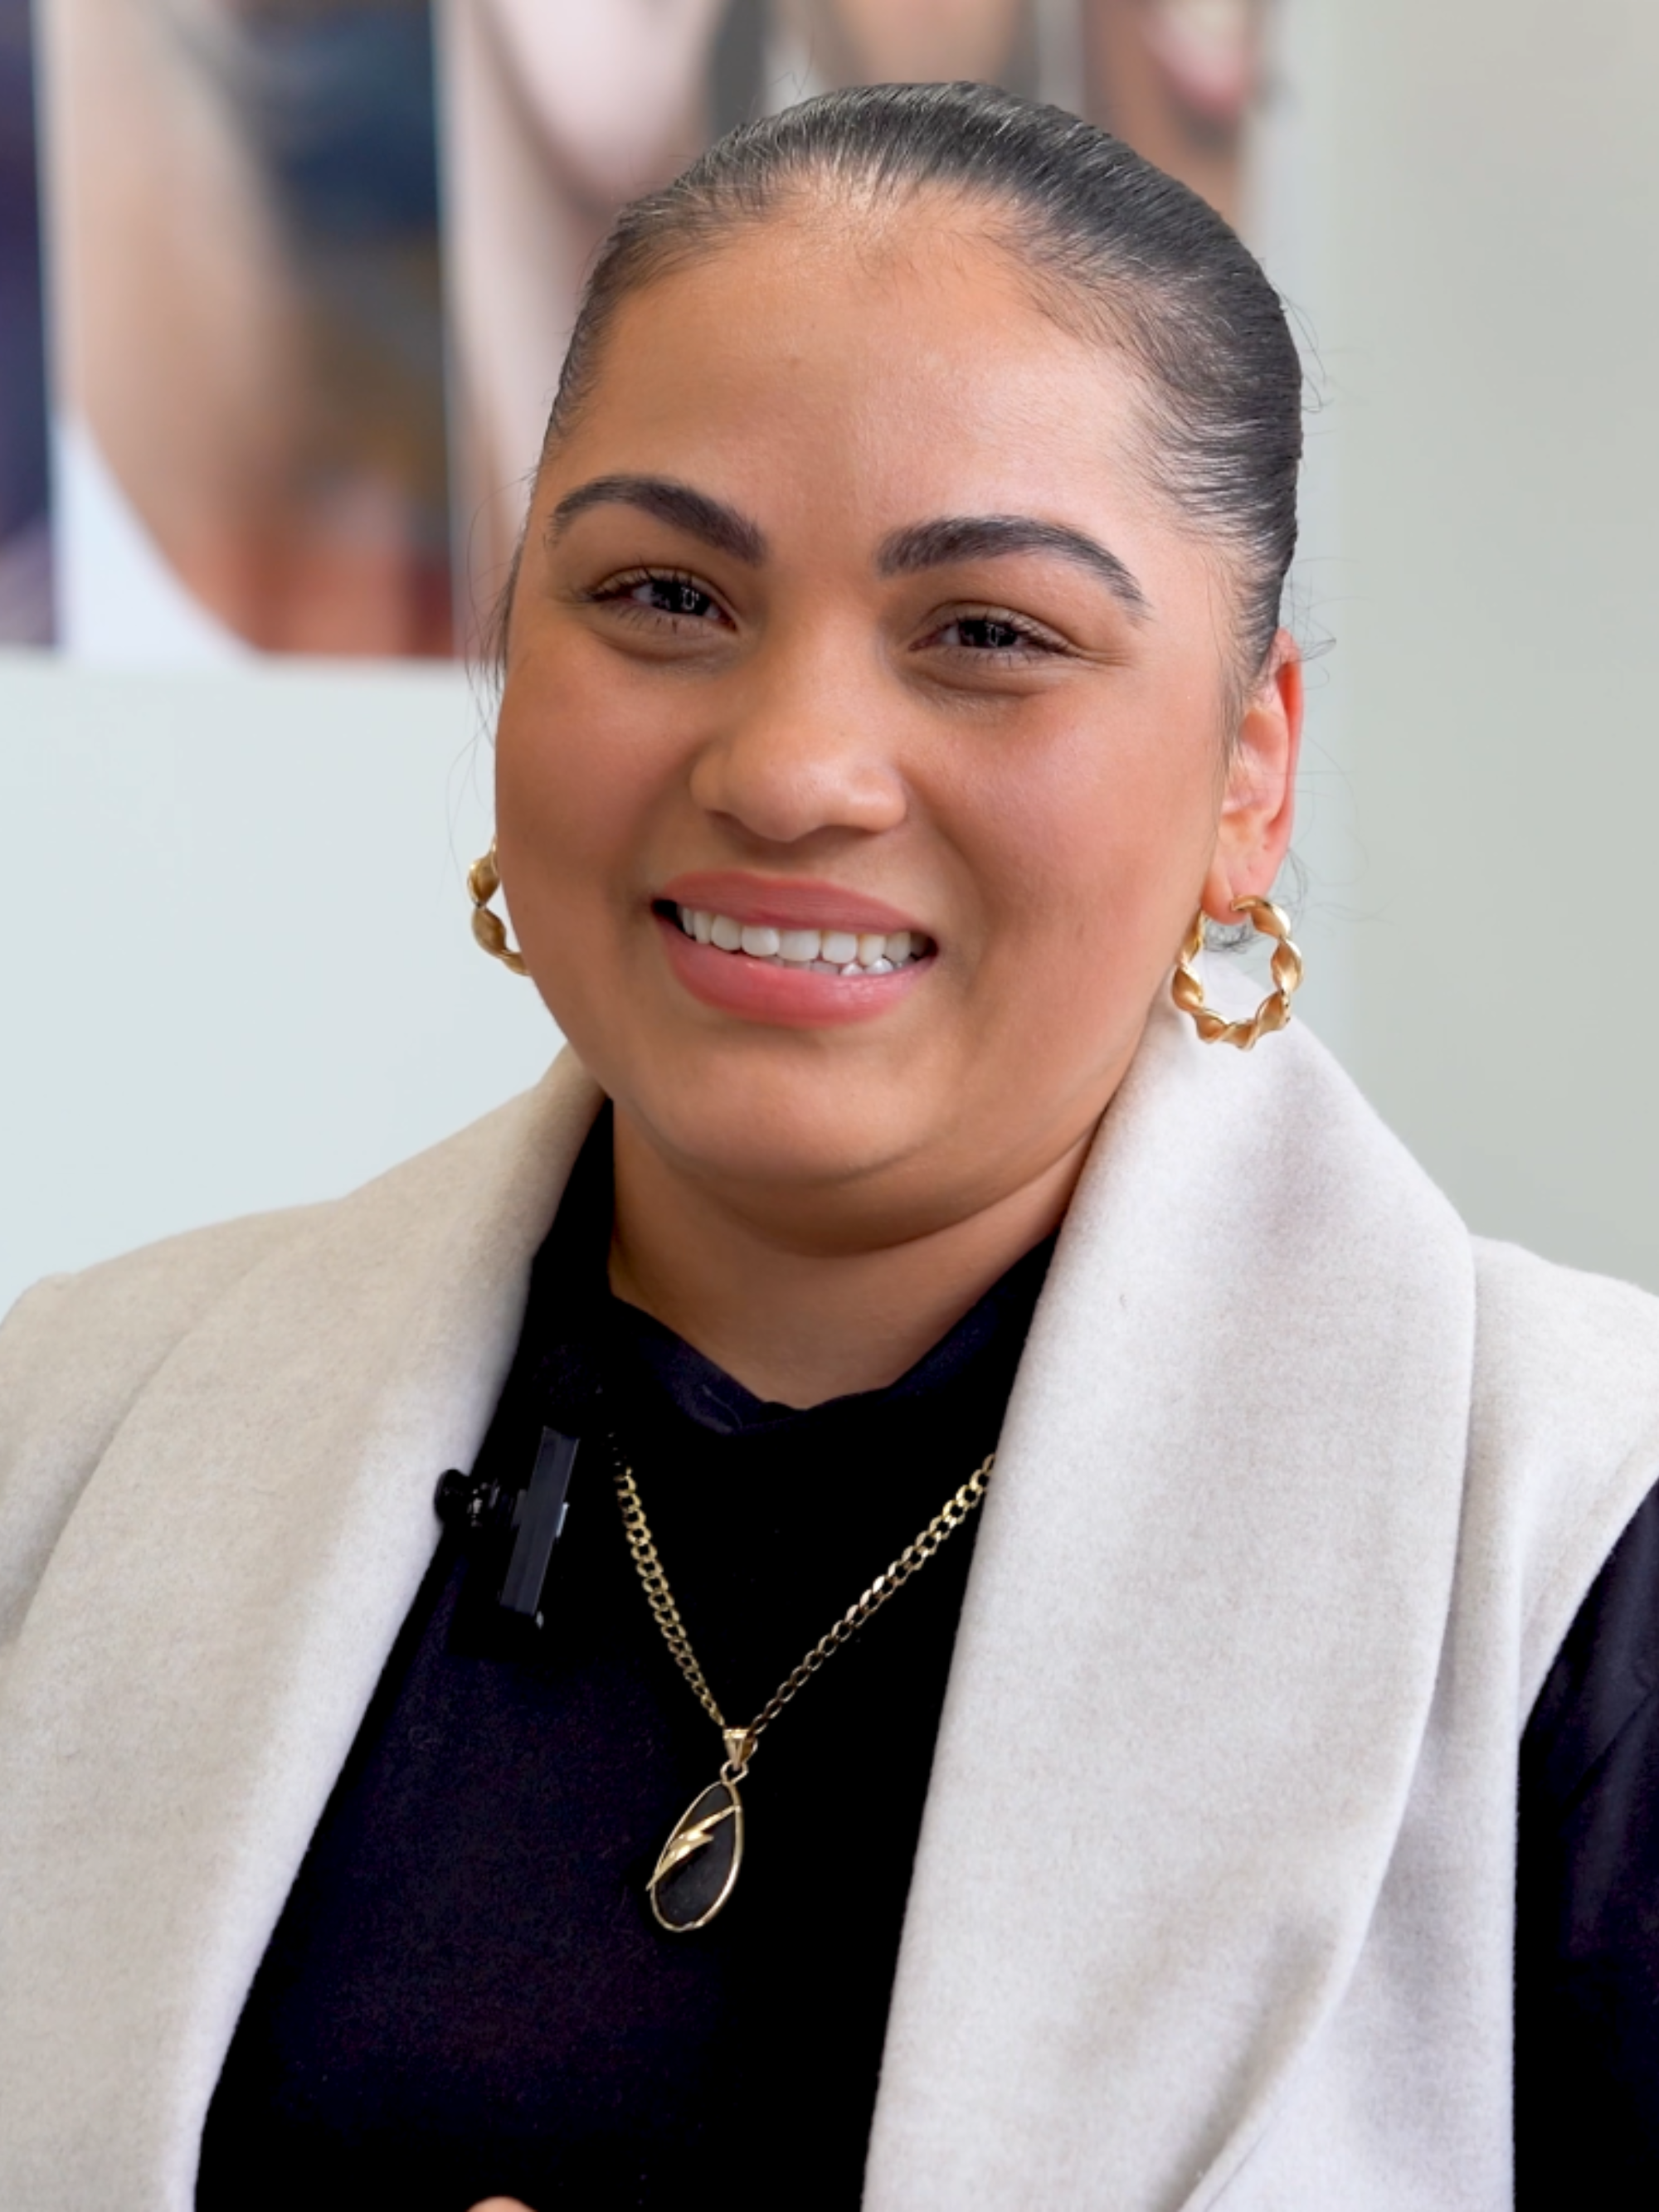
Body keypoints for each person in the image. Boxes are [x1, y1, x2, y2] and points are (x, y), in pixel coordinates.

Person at [2, 81, 1657, 2212]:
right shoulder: (73, 1432)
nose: (790, 770)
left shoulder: (1573, 1551)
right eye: (664, 596)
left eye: (986, 633)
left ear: (1249, 780)